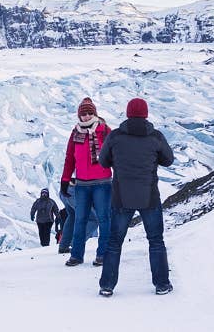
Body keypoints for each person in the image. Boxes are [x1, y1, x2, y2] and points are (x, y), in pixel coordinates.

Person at [98, 98, 175, 297]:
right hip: (149, 196)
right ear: (146, 114)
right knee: (156, 240)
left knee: (114, 241)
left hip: (121, 197)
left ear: (128, 113)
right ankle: (162, 284)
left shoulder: (115, 136)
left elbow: (103, 162)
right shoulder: (155, 137)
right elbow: (168, 160)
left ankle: (107, 285)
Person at [58, 99, 113, 268]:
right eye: (84, 113)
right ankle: (76, 255)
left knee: (104, 219)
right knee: (80, 219)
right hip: (81, 184)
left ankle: (102, 255)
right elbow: (70, 159)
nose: (87, 116)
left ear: (95, 113)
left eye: (89, 112)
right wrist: (65, 180)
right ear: (79, 115)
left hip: (102, 183)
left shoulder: (105, 131)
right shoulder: (75, 133)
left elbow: (115, 155)